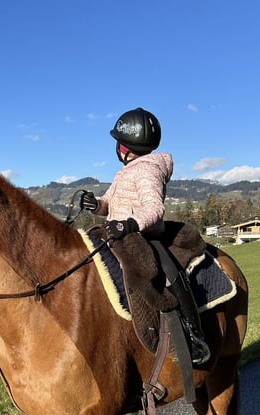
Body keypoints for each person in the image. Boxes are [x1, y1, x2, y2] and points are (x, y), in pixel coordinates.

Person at [80, 107, 210, 364]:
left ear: (125, 145)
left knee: (150, 273)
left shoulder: (147, 169)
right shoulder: (125, 172)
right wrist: (95, 204)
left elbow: (154, 209)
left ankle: (190, 334)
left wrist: (128, 224)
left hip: (140, 235)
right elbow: (109, 203)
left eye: (118, 142)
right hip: (119, 231)